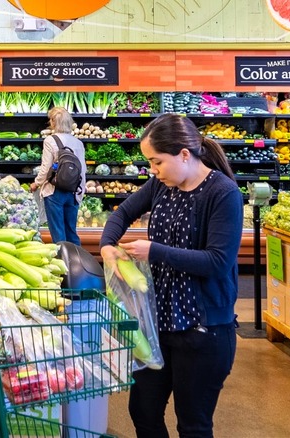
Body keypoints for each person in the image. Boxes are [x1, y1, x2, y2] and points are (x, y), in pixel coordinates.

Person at [100, 114, 242, 438]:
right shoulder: (161, 185)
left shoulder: (223, 194)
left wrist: (155, 251)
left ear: (184, 155)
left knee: (192, 424)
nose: (153, 170)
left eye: (156, 161)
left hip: (203, 332)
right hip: (159, 325)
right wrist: (108, 245)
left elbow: (218, 261)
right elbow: (121, 213)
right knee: (143, 411)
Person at [30, 107, 86, 245]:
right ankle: (77, 262)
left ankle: (63, 262)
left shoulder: (50, 140)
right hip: (73, 191)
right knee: (71, 231)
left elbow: (45, 169)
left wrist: (36, 183)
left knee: (58, 232)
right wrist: (80, 193)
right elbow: (82, 170)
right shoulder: (78, 143)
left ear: (53, 122)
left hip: (55, 191)